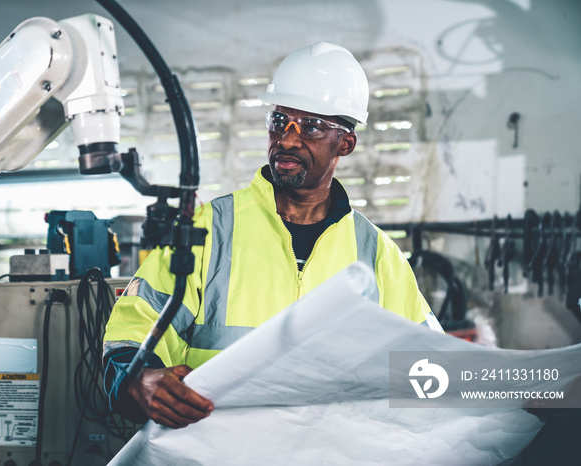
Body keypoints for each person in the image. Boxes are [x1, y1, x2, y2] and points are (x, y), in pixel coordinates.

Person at [102, 41, 443, 430]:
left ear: (345, 143)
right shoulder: (206, 230)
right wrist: (140, 381)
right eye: (280, 121)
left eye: (311, 126)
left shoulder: (378, 255)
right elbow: (129, 335)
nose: (287, 139)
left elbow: (427, 363)